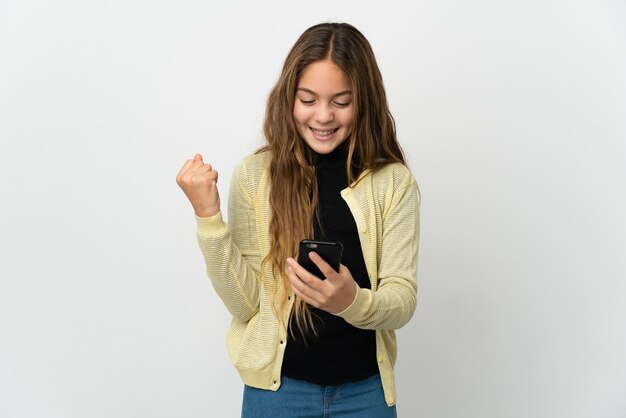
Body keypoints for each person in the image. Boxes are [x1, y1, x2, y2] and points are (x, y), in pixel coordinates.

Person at [176, 22, 420, 418]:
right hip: (278, 396)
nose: (323, 116)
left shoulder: (393, 183)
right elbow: (246, 304)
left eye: (341, 101)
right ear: (289, 97)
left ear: (366, 102)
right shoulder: (256, 176)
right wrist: (208, 218)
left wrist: (350, 301)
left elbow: (403, 299)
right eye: (308, 99)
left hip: (364, 396)